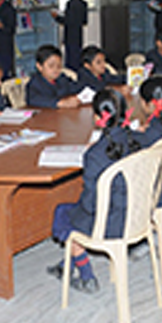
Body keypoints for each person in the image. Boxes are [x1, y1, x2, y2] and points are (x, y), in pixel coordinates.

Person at [47, 89, 141, 293]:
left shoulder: (95, 155)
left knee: (63, 213)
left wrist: (93, 149)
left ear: (98, 118)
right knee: (74, 211)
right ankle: (65, 265)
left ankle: (87, 276)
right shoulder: (137, 140)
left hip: (111, 224)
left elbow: (90, 206)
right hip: (137, 214)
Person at [25, 44, 81, 108]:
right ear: (39, 66)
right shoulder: (34, 83)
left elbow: (75, 87)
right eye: (51, 66)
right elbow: (33, 100)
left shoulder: (62, 78)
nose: (55, 69)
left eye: (59, 66)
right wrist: (59, 103)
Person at [51, 0, 88, 72]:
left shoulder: (70, 4)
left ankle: (71, 77)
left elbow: (67, 21)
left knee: (71, 61)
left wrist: (56, 17)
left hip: (70, 35)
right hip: (78, 34)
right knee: (77, 58)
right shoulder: (83, 3)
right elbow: (84, 21)